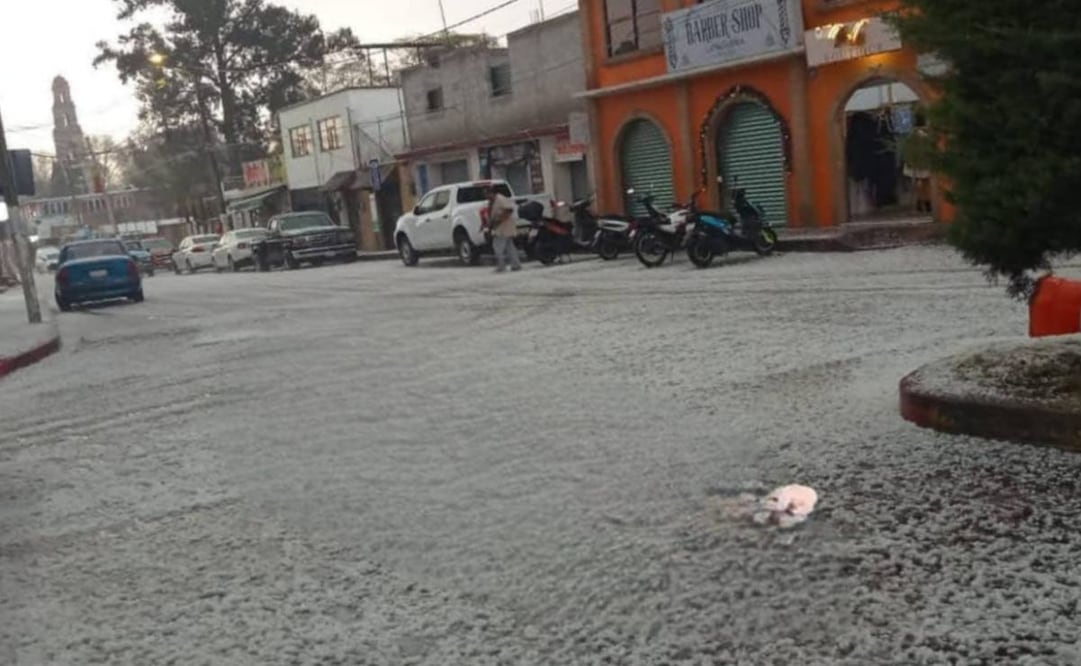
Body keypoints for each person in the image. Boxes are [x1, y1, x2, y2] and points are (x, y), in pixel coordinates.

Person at [486, 185, 521, 273]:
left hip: (504, 226)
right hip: (500, 226)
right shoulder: (492, 201)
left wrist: (499, 220)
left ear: (492, 193)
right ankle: (516, 264)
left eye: (488, 194)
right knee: (509, 247)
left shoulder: (500, 199)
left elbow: (509, 210)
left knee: (497, 246)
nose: (486, 196)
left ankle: (501, 266)